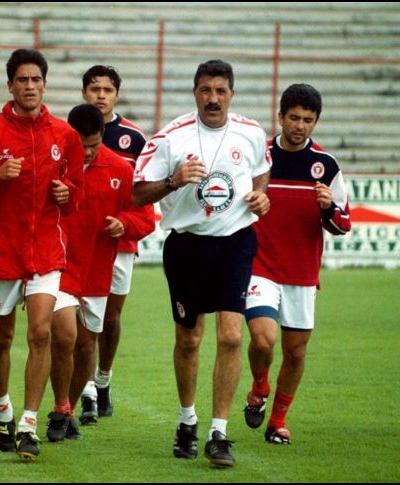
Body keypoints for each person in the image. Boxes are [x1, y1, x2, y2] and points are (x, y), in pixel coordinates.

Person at [132, 59, 271, 468]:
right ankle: (187, 420)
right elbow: (137, 195)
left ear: (231, 94)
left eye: (220, 91)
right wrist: (173, 181)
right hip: (187, 246)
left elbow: (261, 172)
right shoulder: (170, 138)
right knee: (189, 340)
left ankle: (219, 433)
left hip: (235, 243)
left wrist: (260, 197)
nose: (213, 98)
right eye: (206, 90)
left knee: (231, 337)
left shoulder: (251, 132)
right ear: (195, 93)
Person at [0, 48, 85, 461]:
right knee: (1, 338)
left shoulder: (65, 135)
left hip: (45, 250)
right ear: (10, 85)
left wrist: (67, 193)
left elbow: (76, 193)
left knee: (41, 332)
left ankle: (28, 424)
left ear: (45, 84)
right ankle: (3, 408)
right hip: (1, 254)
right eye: (22, 80)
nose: (30, 86)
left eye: (36, 80)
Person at [242, 84, 351, 445]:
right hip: (259, 266)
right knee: (263, 339)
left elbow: (342, 225)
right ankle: (259, 386)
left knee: (296, 351)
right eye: (293, 118)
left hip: (301, 273)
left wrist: (327, 207)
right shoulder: (260, 157)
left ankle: (277, 421)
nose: (299, 126)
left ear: (315, 122)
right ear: (280, 117)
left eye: (307, 120)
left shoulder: (326, 165)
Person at [47, 104, 155, 442]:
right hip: (58, 267)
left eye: (94, 144)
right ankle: (60, 406)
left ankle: (68, 409)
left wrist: (124, 223)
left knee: (85, 346)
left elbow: (145, 218)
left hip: (96, 271)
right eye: (83, 146)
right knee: (64, 337)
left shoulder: (120, 168)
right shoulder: (52, 164)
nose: (89, 152)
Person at [78, 65, 149, 423]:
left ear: (117, 95)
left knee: (110, 317)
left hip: (119, 245)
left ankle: (103, 378)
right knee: (80, 322)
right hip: (79, 245)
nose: (101, 95)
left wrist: (126, 224)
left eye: (107, 90)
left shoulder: (133, 139)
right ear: (84, 93)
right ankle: (87, 390)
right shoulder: (71, 133)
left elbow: (142, 193)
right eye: (95, 89)